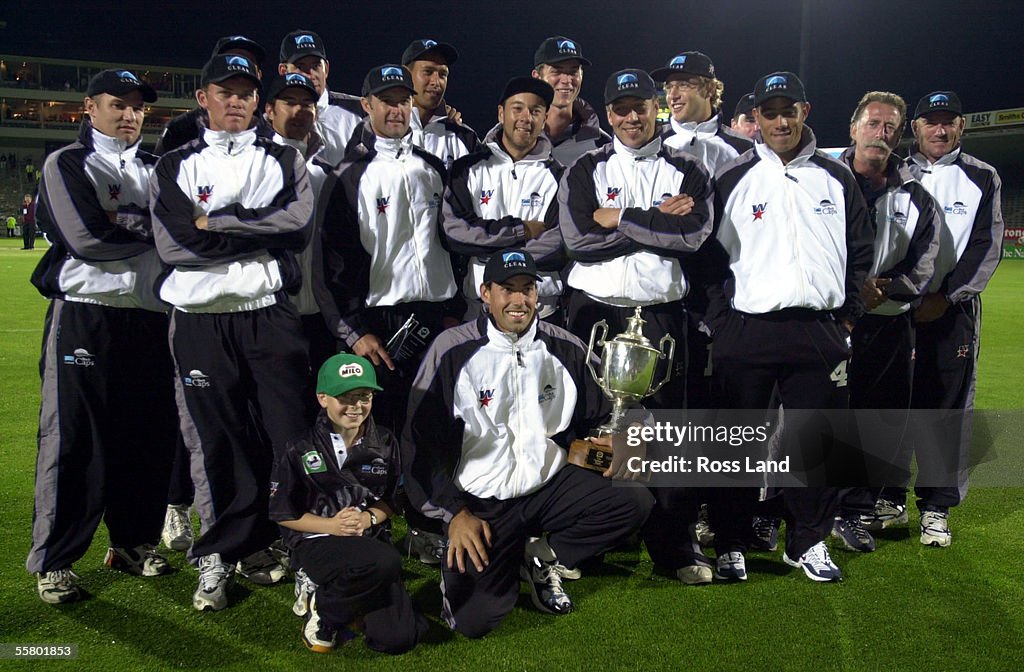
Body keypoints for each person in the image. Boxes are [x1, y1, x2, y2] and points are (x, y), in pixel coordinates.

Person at [402, 249, 653, 638]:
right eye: (507, 289)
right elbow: (418, 444)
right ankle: (486, 564)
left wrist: (629, 436)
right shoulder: (451, 350)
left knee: (631, 499)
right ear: (485, 293)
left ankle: (542, 557)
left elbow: (619, 406)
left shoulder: (565, 347)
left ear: (538, 295)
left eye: (527, 289)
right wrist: (454, 514)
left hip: (546, 486)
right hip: (483, 504)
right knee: (474, 621)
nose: (518, 300)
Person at [151, 53, 315, 611]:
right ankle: (222, 553)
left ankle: (300, 548)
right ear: (204, 99)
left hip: (268, 312)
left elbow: (295, 227)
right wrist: (254, 230)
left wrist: (217, 222)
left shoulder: (284, 158)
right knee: (218, 441)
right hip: (199, 321)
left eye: (246, 92)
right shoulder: (174, 164)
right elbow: (175, 246)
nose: (237, 101)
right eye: (226, 91)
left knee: (290, 436)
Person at [700, 71, 873, 582]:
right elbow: (708, 261)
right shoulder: (732, 179)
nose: (779, 121)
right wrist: (721, 323)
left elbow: (860, 252)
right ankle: (730, 542)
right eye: (768, 112)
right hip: (746, 329)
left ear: (805, 111)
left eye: (787, 111)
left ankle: (808, 542)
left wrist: (846, 318)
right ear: (755, 117)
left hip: (819, 328)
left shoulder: (836, 177)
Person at [26, 69, 177, 604]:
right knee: (75, 440)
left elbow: (182, 229)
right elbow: (86, 239)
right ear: (90, 107)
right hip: (86, 314)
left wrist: (160, 234)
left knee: (149, 438)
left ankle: (132, 543)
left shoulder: (160, 170)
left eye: (138, 107)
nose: (130, 115)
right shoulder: (66, 162)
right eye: (119, 104)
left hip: (151, 319)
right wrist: (162, 238)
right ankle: (55, 561)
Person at [315, 63, 459, 436]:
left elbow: (452, 245)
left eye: (404, 101)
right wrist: (354, 331)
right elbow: (329, 266)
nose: (397, 110)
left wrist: (452, 312)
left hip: (434, 318)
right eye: (387, 101)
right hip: (379, 324)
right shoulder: (347, 176)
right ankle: (376, 497)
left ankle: (427, 497)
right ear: (367, 105)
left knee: (435, 422)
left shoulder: (433, 169)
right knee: (379, 428)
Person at [832, 91, 941, 553]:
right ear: (854, 127)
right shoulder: (819, 178)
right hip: (831, 318)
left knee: (875, 421)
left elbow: (926, 260)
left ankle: (854, 511)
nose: (881, 133)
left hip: (887, 322)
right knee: (809, 414)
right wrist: (846, 291)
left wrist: (887, 288)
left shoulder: (916, 196)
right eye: (873, 123)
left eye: (891, 127)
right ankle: (786, 508)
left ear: (899, 136)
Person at [896, 91, 1004, 547]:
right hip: (893, 311)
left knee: (944, 409)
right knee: (888, 404)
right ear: (915, 127)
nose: (939, 131)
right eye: (930, 122)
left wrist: (947, 294)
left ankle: (936, 506)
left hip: (950, 312)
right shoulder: (895, 170)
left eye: (949, 122)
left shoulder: (982, 176)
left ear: (962, 127)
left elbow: (987, 244)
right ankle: (885, 496)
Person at [270, 353, 426, 654]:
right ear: (322, 398)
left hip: (368, 539)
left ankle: (344, 594)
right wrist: (333, 525)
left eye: (364, 396)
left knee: (398, 638)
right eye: (345, 397)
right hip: (316, 541)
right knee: (385, 562)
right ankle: (326, 609)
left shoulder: (385, 441)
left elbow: (393, 499)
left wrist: (368, 519)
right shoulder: (298, 447)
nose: (356, 406)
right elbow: (283, 513)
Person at [443, 76, 566, 321]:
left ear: (544, 118)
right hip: (479, 310)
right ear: (501, 113)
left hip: (541, 311)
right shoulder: (467, 169)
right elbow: (455, 232)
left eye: (535, 111)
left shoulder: (561, 177)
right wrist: (519, 231)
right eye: (517, 108)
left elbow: (561, 243)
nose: (526, 118)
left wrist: (488, 250)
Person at [154, 35, 267, 156]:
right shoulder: (179, 130)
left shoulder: (273, 133)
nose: (240, 69)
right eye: (229, 60)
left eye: (248, 63)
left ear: (259, 76)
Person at [652, 51, 753, 173]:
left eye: (683, 85)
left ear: (710, 89)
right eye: (668, 87)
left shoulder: (744, 148)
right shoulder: (652, 142)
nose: (672, 95)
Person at [278, 29, 365, 165]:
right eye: (301, 67)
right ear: (284, 71)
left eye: (316, 65)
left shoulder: (360, 110)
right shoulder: (272, 118)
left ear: (326, 69)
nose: (310, 74)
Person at [400, 38, 480, 170]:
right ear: (406, 75)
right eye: (428, 72)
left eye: (443, 74)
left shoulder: (464, 137)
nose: (436, 82)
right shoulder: (379, 129)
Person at [531, 36, 610, 166]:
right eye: (556, 71)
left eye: (573, 72)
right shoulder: (515, 135)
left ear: (581, 76)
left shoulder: (602, 145)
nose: (566, 80)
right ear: (537, 77)